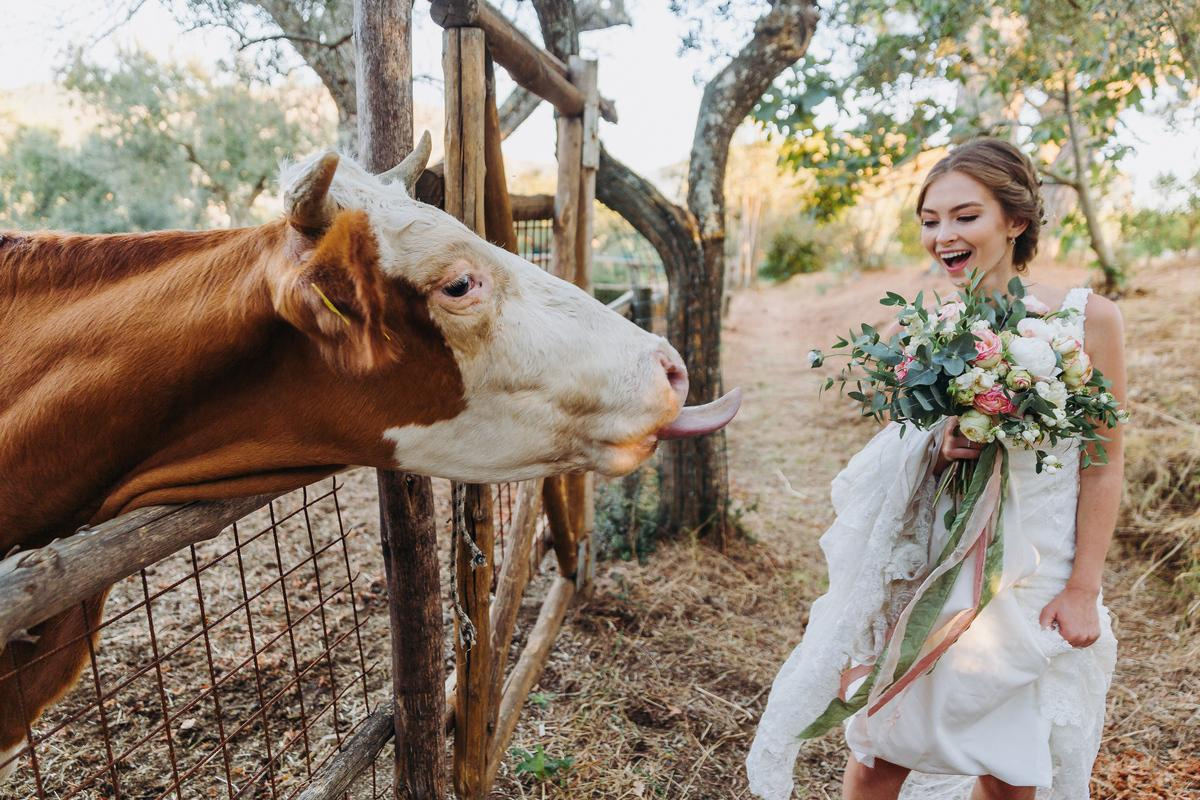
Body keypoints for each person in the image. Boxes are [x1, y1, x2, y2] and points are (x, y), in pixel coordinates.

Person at [746, 138, 1126, 800]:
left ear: (1015, 220)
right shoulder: (925, 329)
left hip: (1038, 572)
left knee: (1011, 775)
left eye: (964, 216)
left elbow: (1103, 461)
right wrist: (937, 442)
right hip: (936, 566)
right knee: (880, 755)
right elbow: (896, 454)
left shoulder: (1089, 320)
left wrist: (1082, 589)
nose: (942, 235)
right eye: (929, 220)